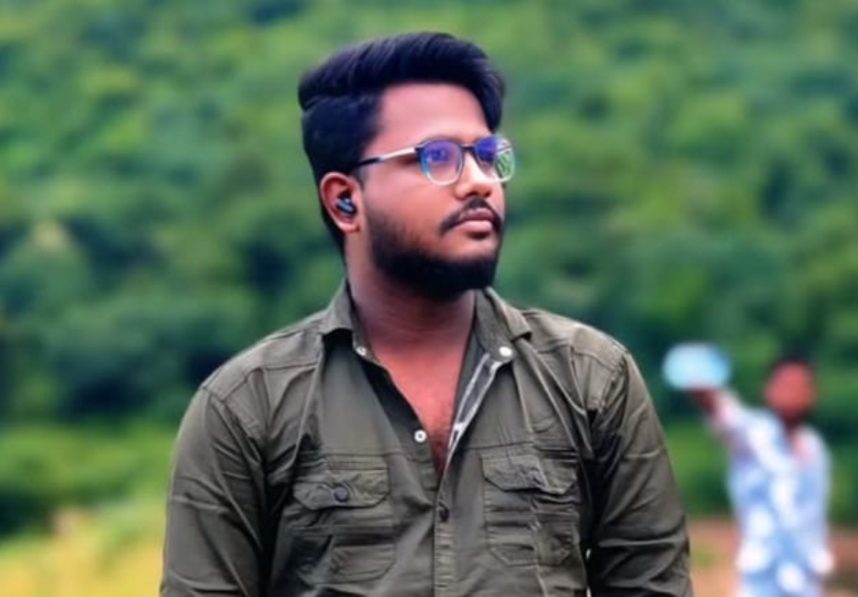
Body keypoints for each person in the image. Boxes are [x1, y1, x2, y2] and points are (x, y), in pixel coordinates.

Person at [161, 32, 691, 596]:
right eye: (438, 157)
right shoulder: (247, 406)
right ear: (345, 200)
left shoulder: (591, 379)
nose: (480, 181)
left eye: (487, 155)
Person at [688, 355, 832, 596]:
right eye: (786, 385)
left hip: (805, 581)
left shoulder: (815, 448)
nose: (792, 393)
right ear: (769, 390)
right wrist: (704, 390)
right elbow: (726, 416)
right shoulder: (754, 435)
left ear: (812, 394)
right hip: (762, 579)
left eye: (800, 387)